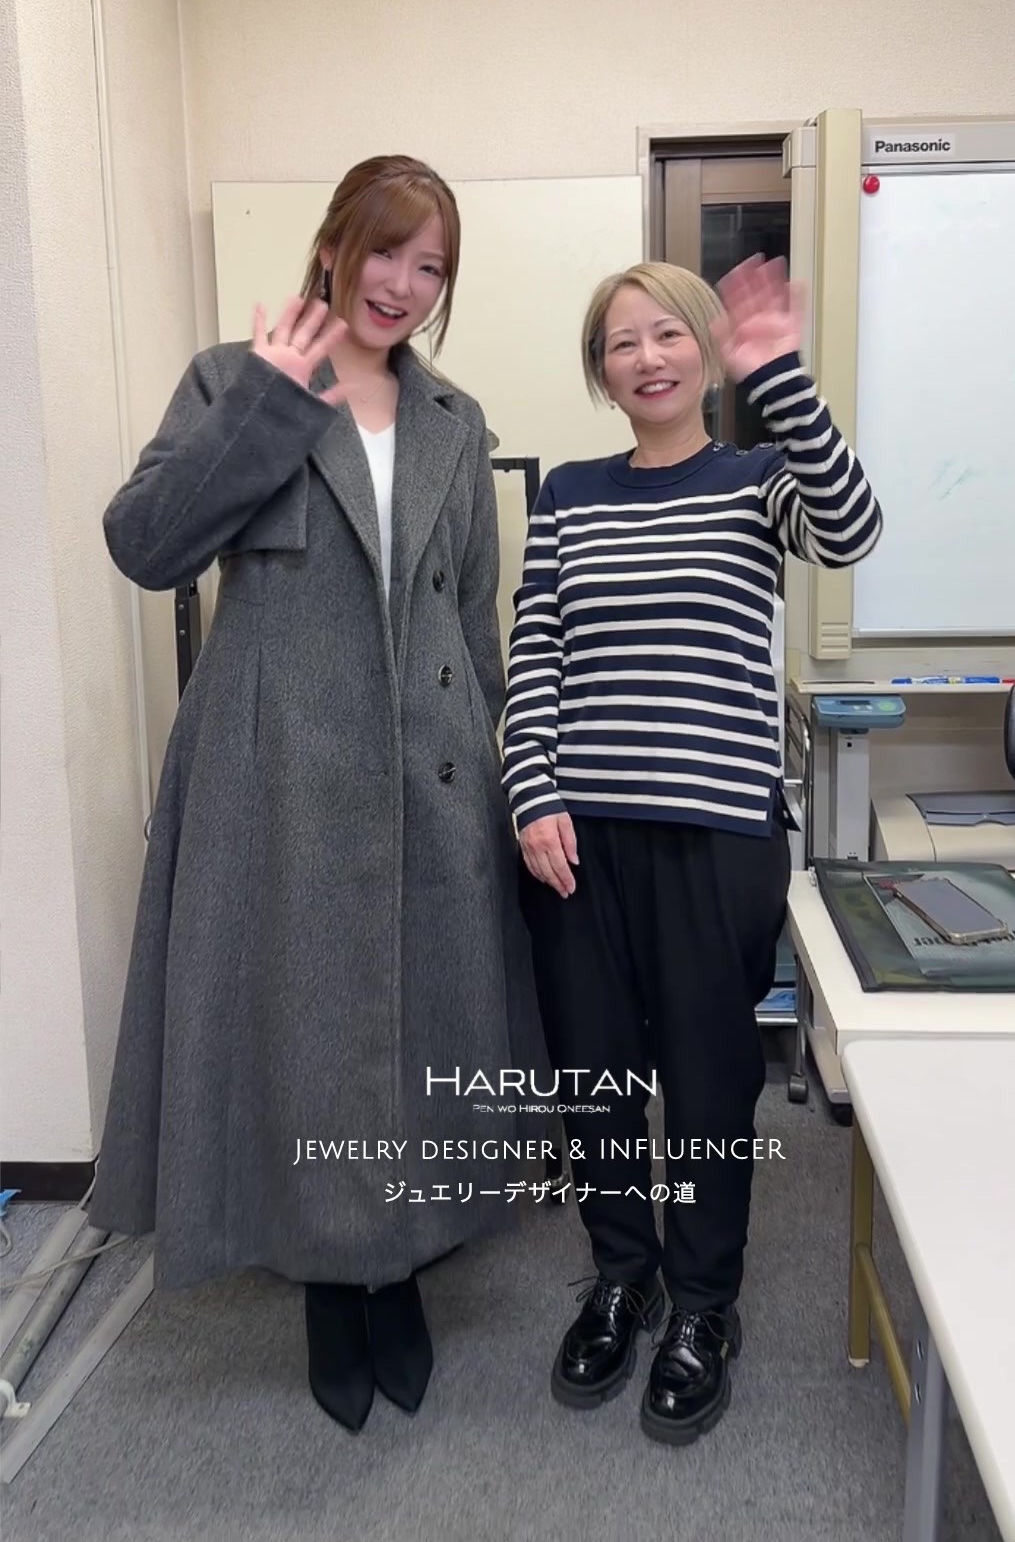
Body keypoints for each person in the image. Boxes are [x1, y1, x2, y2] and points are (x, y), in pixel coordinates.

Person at [90, 155, 548, 1434]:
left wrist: (500, 771)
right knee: (305, 1033)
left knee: (420, 1029)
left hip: (429, 768)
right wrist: (273, 402)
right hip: (279, 770)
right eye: (386, 250)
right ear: (335, 245)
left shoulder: (456, 417)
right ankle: (330, 1283)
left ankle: (400, 1260)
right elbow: (147, 545)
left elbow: (473, 611)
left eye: (431, 265)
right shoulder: (235, 379)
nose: (403, 283)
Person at [503, 256, 882, 1447]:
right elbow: (536, 655)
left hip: (717, 834)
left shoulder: (757, 481)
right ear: (601, 371)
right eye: (623, 342)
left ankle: (705, 1301)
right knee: (597, 1076)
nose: (648, 358)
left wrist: (784, 378)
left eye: (669, 333)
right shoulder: (569, 495)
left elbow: (853, 529)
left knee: (711, 1082)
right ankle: (624, 1275)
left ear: (707, 351)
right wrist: (530, 794)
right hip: (579, 839)